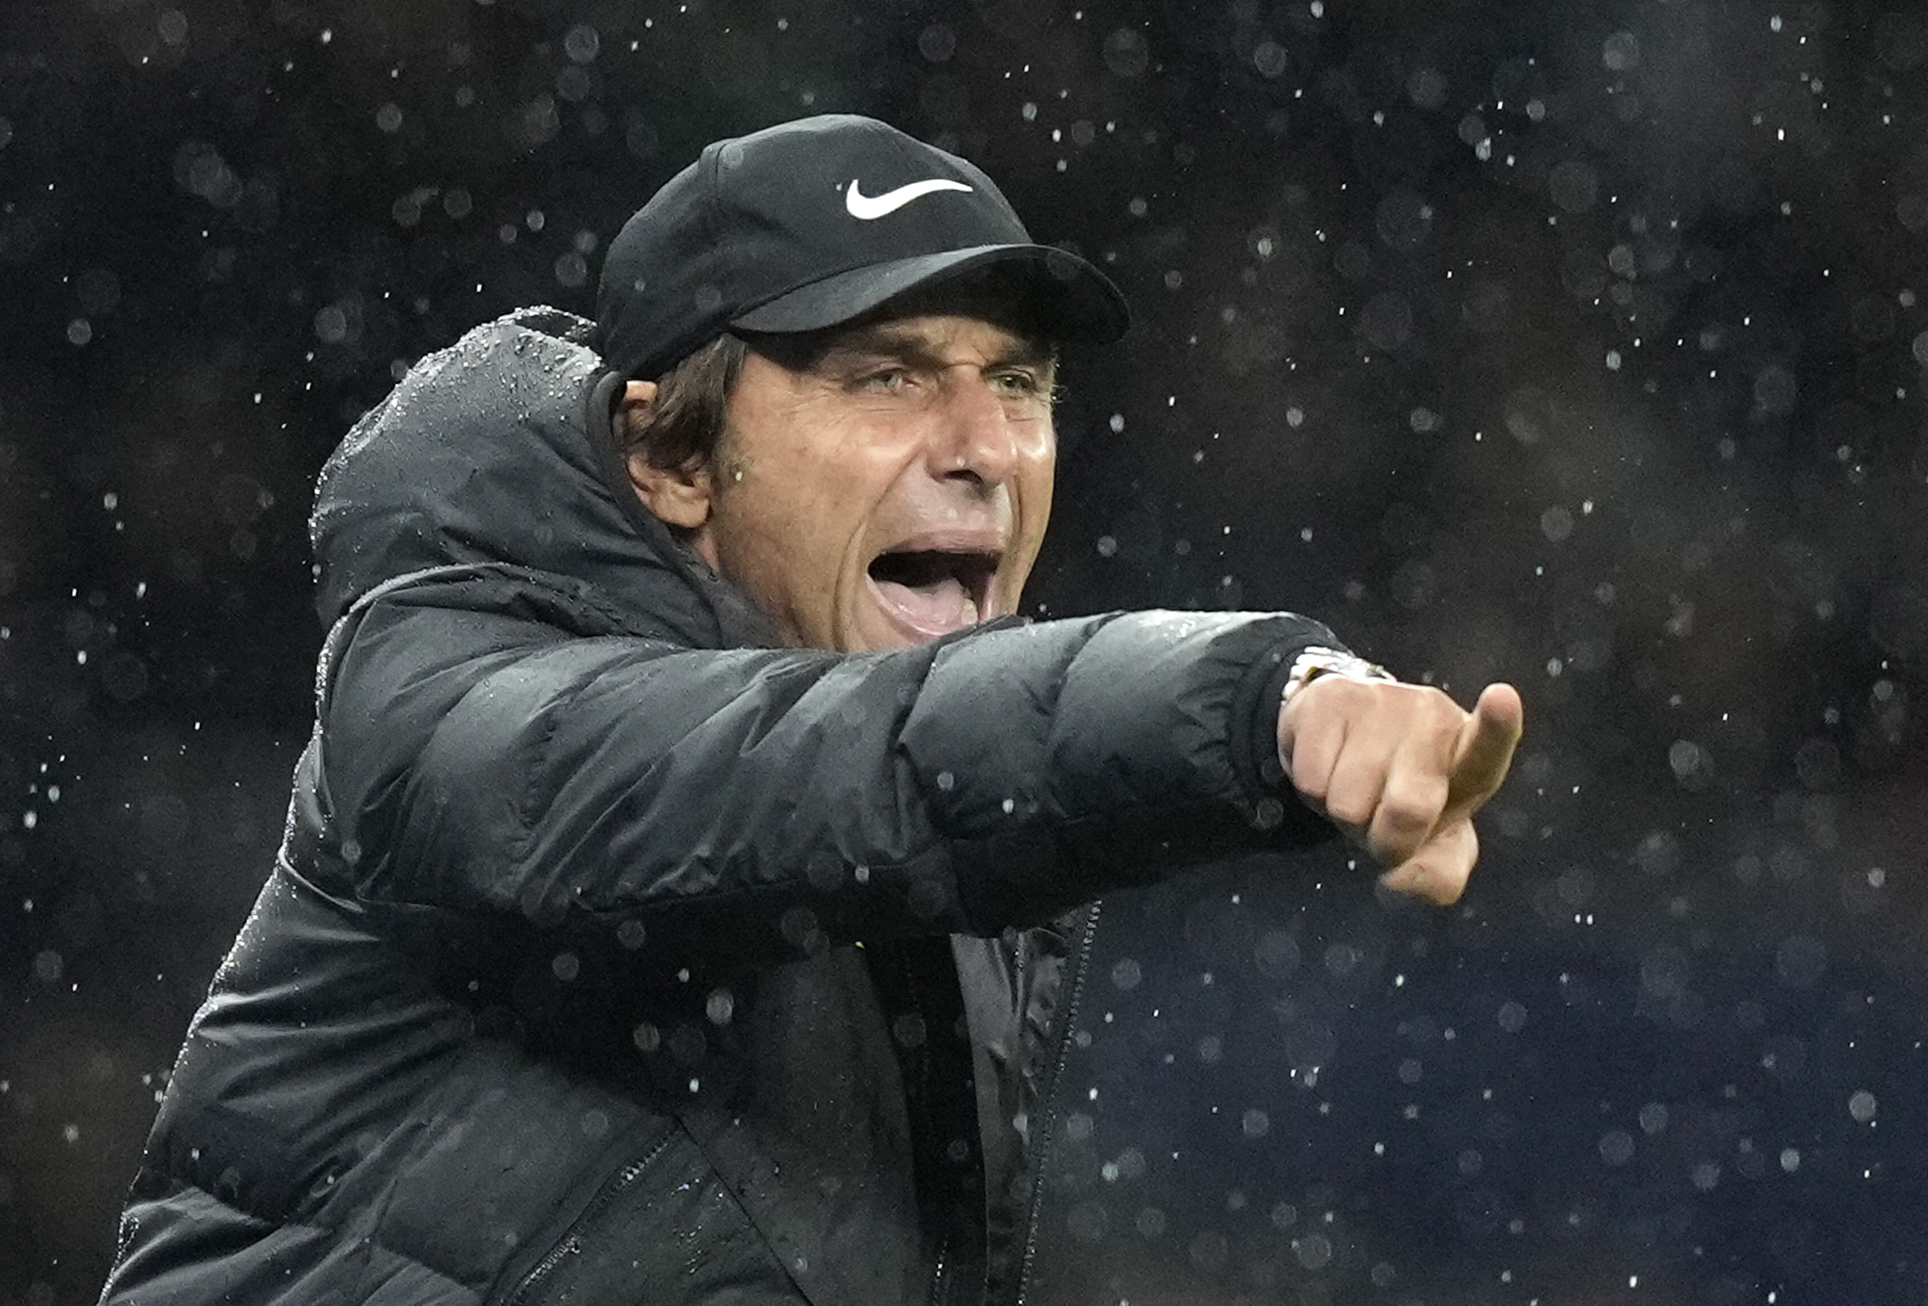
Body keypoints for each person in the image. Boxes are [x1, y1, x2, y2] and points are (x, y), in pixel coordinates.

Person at [98, 114, 1521, 1306]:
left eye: (1019, 383)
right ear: (669, 452)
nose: (982, 449)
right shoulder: (449, 691)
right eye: (888, 374)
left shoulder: (955, 809)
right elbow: (824, 770)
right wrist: (1253, 706)